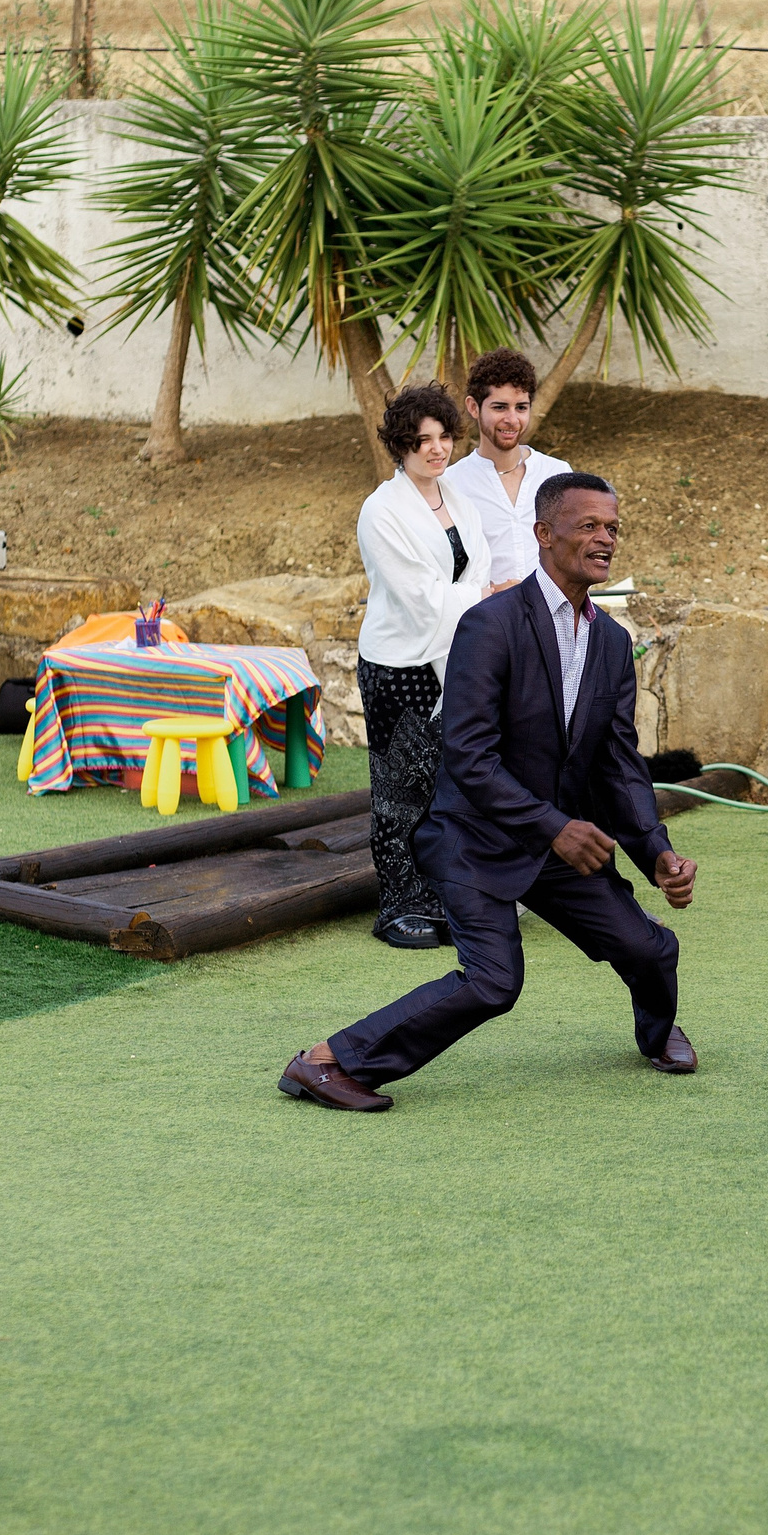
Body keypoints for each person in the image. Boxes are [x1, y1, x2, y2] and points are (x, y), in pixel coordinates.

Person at [280, 472, 700, 1112]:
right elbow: (468, 757)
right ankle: (327, 1060)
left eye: (612, 527)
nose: (605, 538)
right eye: (588, 525)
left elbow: (618, 762)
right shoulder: (490, 624)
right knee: (494, 983)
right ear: (543, 534)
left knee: (649, 946)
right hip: (474, 839)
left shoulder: (613, 642)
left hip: (556, 845)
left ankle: (656, 1032)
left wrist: (658, 853)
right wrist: (556, 827)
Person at [355, 384, 493, 950]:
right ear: (400, 447)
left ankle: (437, 892)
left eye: (442, 437)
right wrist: (483, 600)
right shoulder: (381, 510)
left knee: (441, 782)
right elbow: (420, 595)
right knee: (398, 788)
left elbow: (478, 567)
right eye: (422, 441)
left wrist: (481, 595)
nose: (436, 449)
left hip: (449, 659)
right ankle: (396, 905)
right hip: (399, 664)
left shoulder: (456, 498)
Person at [445, 347, 573, 596]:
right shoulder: (451, 484)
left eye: (521, 408)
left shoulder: (558, 474)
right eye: (500, 407)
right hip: (488, 624)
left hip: (552, 623)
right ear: (473, 407)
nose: (512, 419)